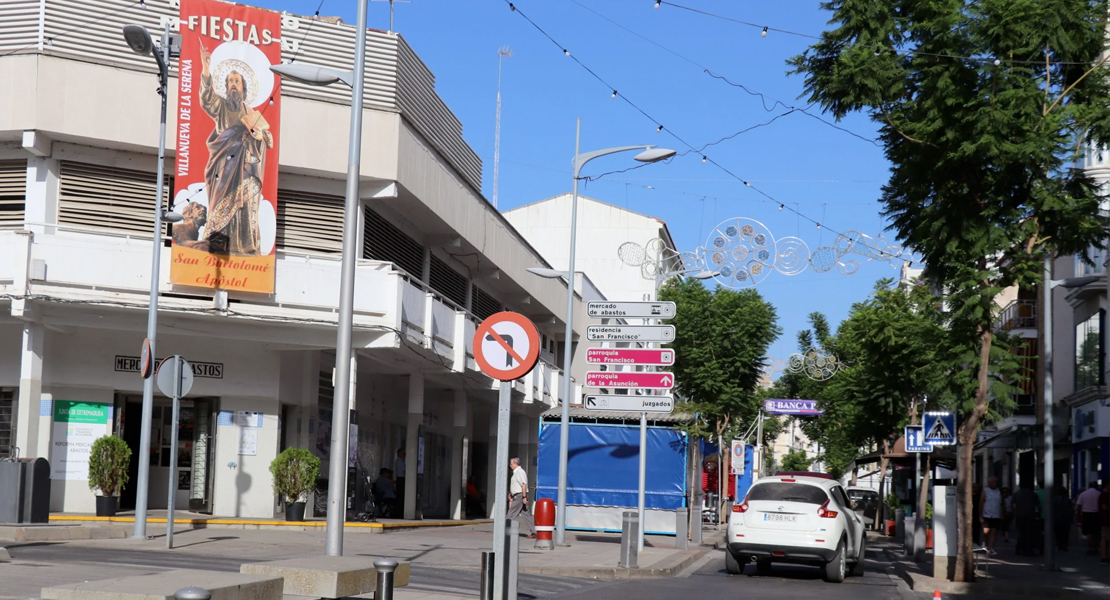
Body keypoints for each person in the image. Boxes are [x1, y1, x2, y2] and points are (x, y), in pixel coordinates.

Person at [198, 41, 273, 256]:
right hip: (223, 162)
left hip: (246, 166)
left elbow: (267, 138)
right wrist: (205, 67)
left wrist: (257, 136)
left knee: (244, 205)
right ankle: (218, 244)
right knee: (221, 202)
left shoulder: (251, 112)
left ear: (243, 87)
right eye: (230, 81)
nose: (233, 84)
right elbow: (205, 99)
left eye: (237, 81)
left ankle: (244, 245)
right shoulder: (221, 104)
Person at [507, 457, 535, 537]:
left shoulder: (520, 472)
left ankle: (505, 530)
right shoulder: (516, 472)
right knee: (526, 514)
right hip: (518, 495)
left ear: (515, 464)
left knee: (511, 513)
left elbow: (524, 484)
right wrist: (512, 494)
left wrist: (524, 497)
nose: (510, 465)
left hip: (520, 496)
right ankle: (534, 532)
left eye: (511, 464)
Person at [1012, 482, 1041, 556]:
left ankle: (1019, 549)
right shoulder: (1033, 494)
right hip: (1030, 516)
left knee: (1021, 533)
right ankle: (1029, 550)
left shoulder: (1016, 494)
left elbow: (1014, 506)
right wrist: (1038, 515)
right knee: (1029, 534)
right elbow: (1038, 506)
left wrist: (1015, 515)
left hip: (1019, 516)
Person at [1076, 482, 1102, 555]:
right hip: (1096, 514)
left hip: (1086, 514)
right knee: (1096, 532)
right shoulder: (1099, 493)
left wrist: (1079, 513)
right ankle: (1095, 547)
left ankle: (1090, 548)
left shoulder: (1083, 494)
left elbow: (1079, 505)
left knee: (1088, 532)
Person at [980, 476, 1003, 555]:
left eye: (996, 482)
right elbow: (981, 503)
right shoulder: (985, 491)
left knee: (994, 532)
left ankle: (991, 547)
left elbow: (1002, 503)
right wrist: (980, 515)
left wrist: (1002, 514)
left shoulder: (999, 491)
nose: (994, 483)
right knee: (985, 531)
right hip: (986, 514)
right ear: (989, 483)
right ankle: (984, 544)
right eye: (993, 482)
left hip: (996, 515)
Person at [1053, 486, 1073, 552]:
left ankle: (1059, 544)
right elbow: (1071, 510)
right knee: (1066, 533)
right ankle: (1065, 545)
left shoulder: (1054, 499)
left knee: (1058, 533)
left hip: (1057, 518)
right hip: (1066, 519)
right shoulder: (1068, 500)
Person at [1099, 482, 1109, 563]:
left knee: (1105, 538)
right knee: (1105, 538)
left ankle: (1105, 555)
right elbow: (1104, 507)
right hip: (1106, 520)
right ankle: (1104, 556)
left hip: (1105, 519)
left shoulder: (1104, 495)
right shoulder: (1104, 495)